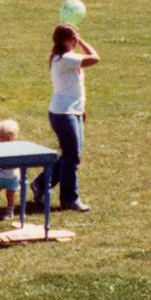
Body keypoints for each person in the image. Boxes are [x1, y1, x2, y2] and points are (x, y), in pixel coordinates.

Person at [37, 24, 98, 212]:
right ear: (66, 40)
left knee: (71, 155)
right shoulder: (66, 58)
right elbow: (95, 58)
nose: (76, 40)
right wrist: (81, 41)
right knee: (72, 156)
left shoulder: (64, 57)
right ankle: (69, 198)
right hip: (63, 113)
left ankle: (40, 184)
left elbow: (74, 87)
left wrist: (81, 109)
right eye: (74, 38)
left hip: (72, 111)